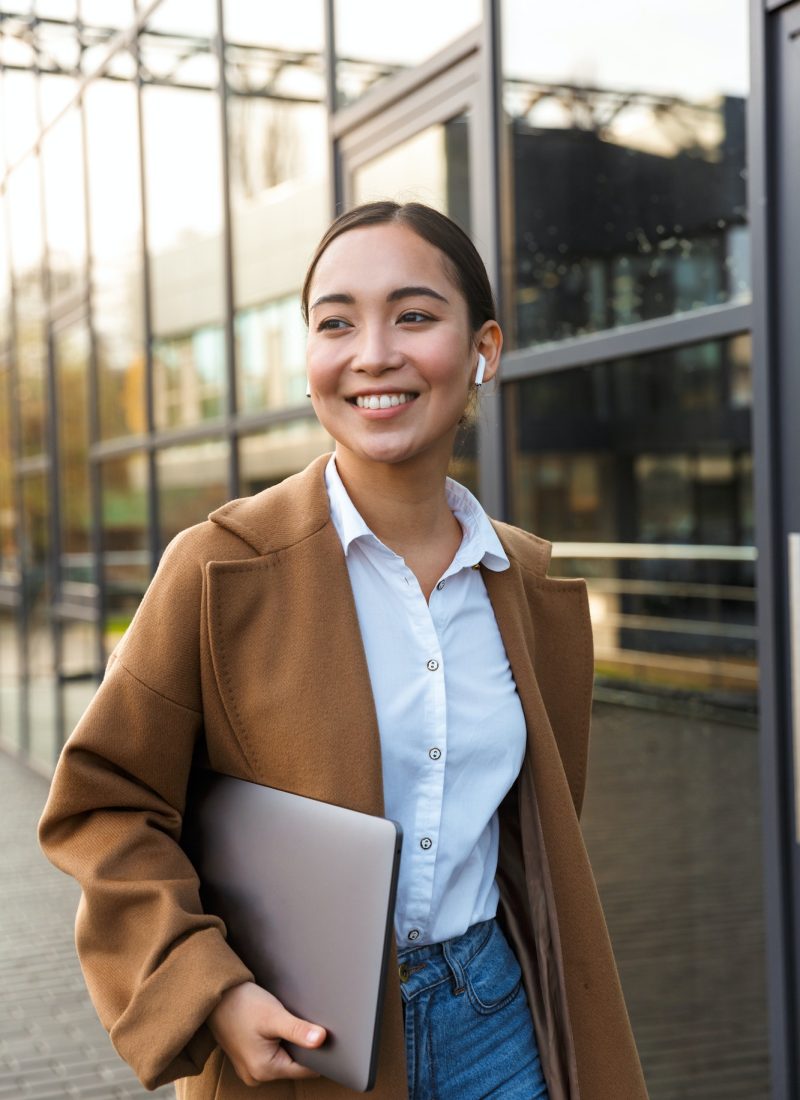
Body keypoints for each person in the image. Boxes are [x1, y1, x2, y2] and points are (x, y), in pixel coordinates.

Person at [38, 201, 648, 1100]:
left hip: (496, 1017)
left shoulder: (527, 588)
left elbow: (527, 838)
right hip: (298, 1041)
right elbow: (104, 808)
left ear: (484, 349)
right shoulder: (217, 568)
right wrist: (211, 990)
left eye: (413, 315)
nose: (372, 353)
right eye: (336, 322)